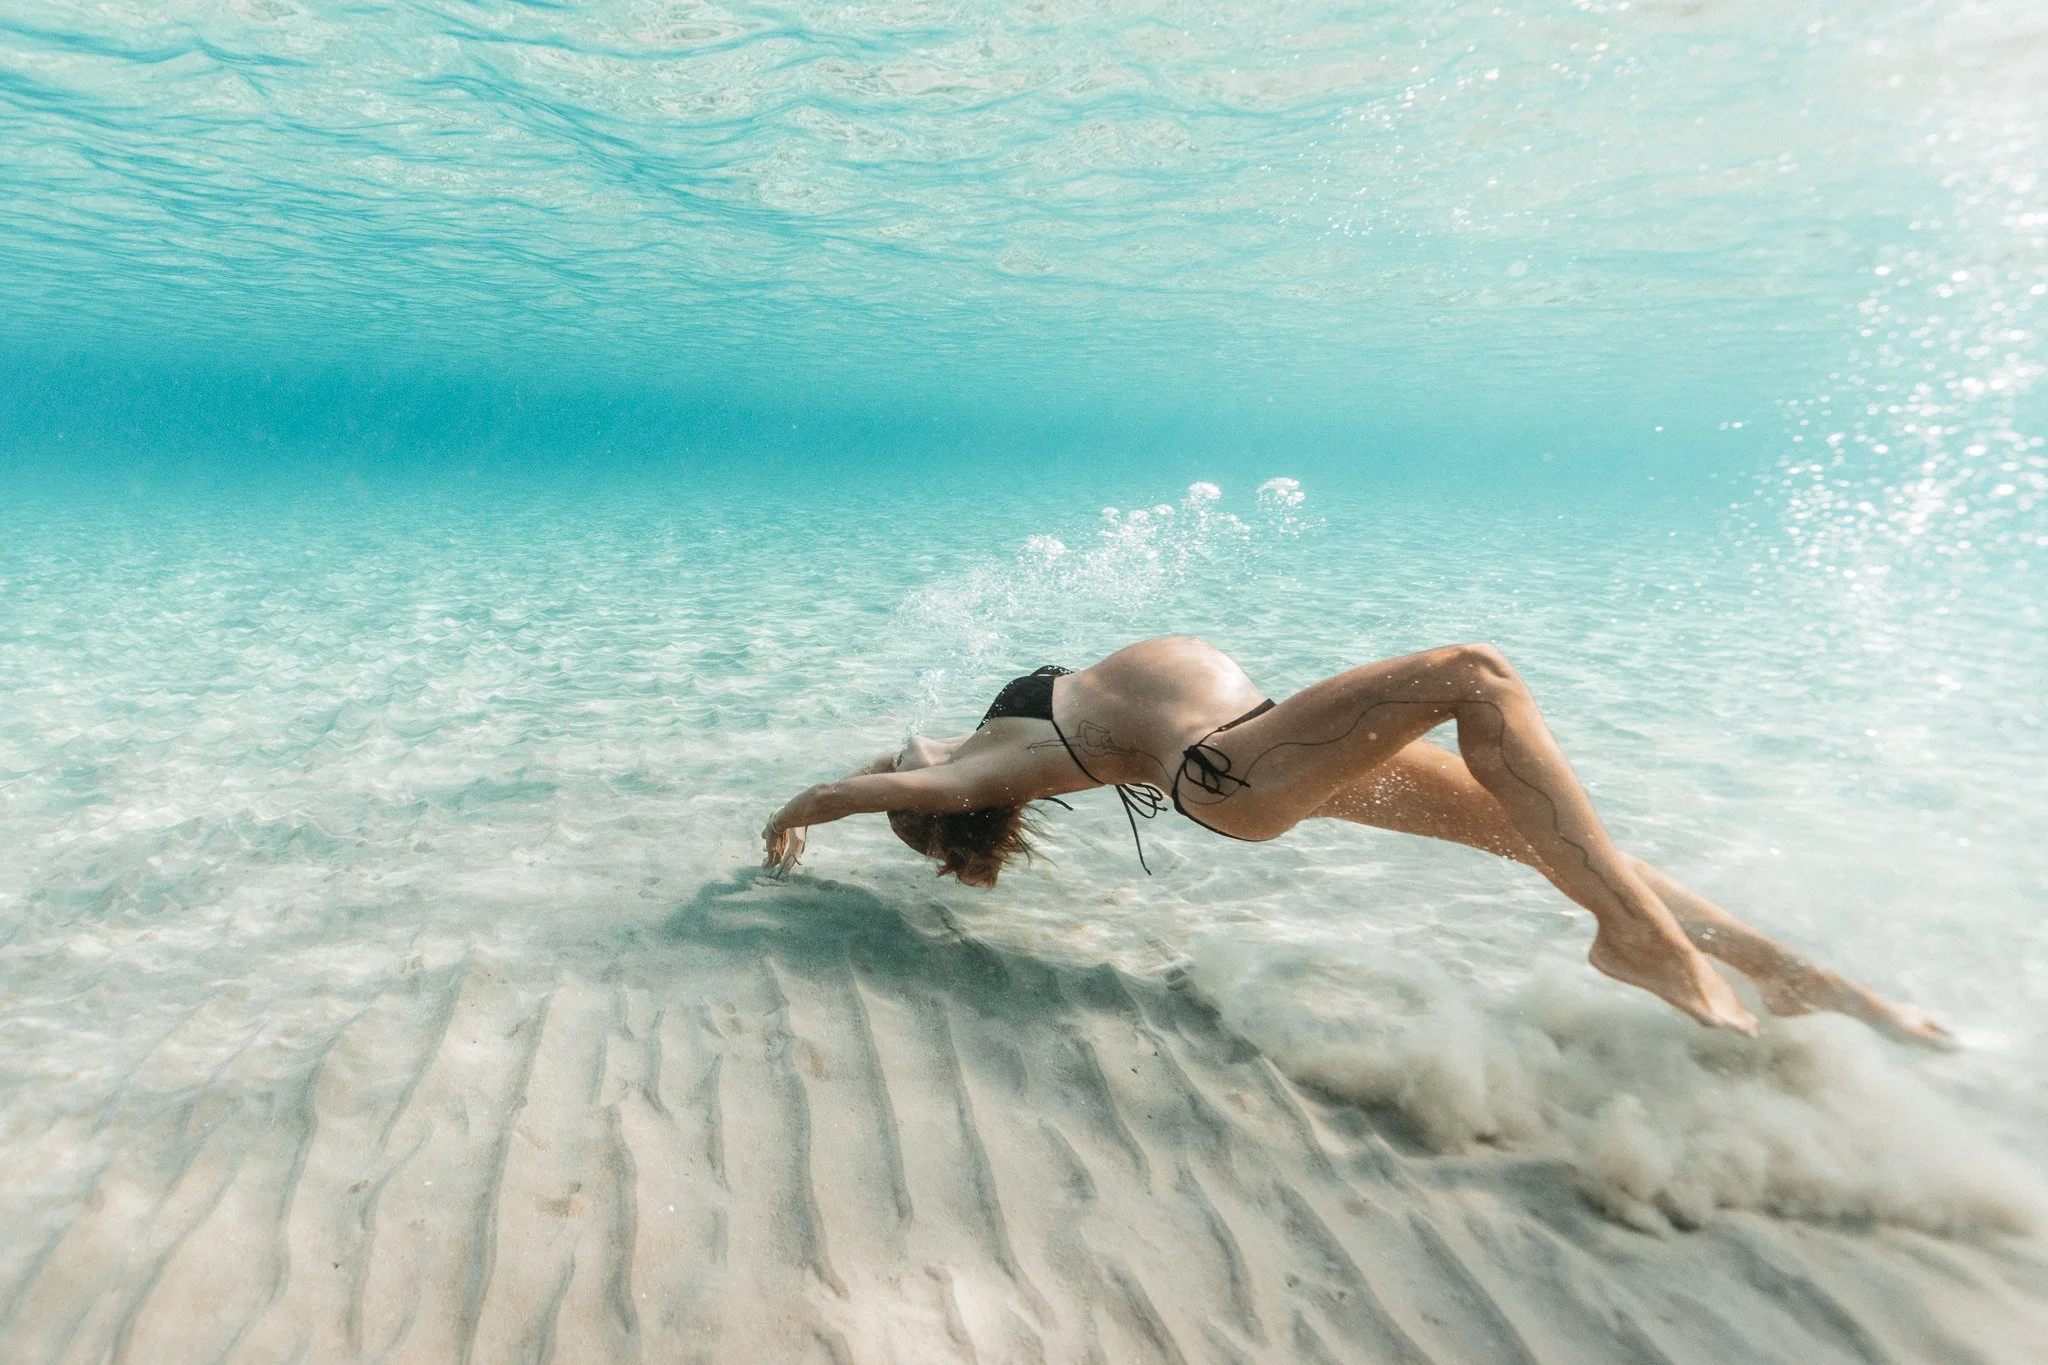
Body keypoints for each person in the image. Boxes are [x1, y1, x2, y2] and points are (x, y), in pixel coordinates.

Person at [762, 636, 1950, 1044]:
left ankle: (1799, 980)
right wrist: (789, 824)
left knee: (1548, 833)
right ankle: (1634, 943)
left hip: (1267, 755)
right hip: (1231, 770)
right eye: (898, 768)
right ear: (932, 799)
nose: (897, 751)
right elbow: (843, 795)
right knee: (1473, 675)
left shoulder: (989, 752)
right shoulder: (972, 767)